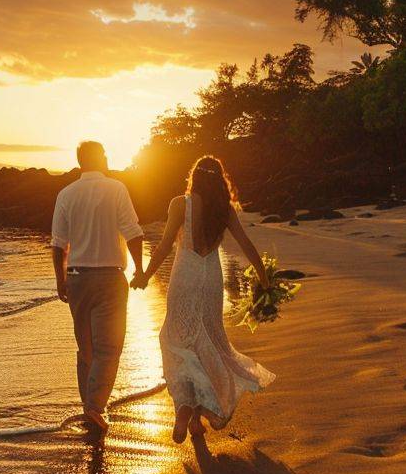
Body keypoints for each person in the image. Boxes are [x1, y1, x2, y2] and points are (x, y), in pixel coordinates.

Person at [131, 156, 275, 443]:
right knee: (207, 339)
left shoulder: (179, 204)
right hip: (210, 278)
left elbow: (162, 247)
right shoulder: (224, 209)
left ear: (194, 177)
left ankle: (185, 408)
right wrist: (264, 278)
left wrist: (145, 276)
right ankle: (195, 419)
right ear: (219, 180)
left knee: (178, 339)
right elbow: (246, 243)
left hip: (185, 274)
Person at [50, 141, 145, 434]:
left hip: (77, 277)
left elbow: (58, 244)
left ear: (80, 162)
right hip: (109, 278)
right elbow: (133, 232)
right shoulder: (116, 189)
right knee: (109, 348)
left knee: (86, 347)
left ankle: (89, 408)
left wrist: (60, 279)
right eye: (104, 154)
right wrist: (140, 269)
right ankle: (94, 408)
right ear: (99, 158)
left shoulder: (66, 193)